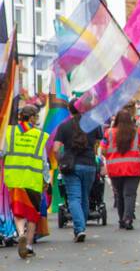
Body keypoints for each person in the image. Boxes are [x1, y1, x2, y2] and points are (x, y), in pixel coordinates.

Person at [3, 104, 50, 258]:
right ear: (31, 118)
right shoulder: (39, 135)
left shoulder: (9, 133)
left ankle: (20, 232)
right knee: (33, 213)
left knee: (18, 211)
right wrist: (46, 179)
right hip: (33, 180)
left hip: (14, 179)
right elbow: (44, 161)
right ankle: (28, 245)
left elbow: (2, 152)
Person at [52, 107, 103, 242]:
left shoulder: (64, 126)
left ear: (70, 110)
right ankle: (81, 227)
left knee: (74, 198)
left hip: (71, 166)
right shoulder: (93, 125)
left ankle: (79, 229)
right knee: (85, 198)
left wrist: (61, 161)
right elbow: (98, 145)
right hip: (89, 165)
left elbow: (56, 149)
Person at [102, 106, 140, 229]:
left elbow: (104, 150)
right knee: (130, 194)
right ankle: (128, 219)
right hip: (134, 168)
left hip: (115, 169)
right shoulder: (137, 132)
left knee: (119, 195)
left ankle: (121, 219)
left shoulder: (109, 133)